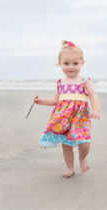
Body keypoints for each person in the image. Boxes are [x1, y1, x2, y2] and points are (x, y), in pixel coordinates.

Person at [34, 40, 100, 178]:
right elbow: (55, 101)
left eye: (75, 63)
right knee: (66, 144)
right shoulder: (60, 83)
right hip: (63, 118)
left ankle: (82, 158)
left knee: (85, 141)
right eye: (66, 63)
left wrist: (95, 110)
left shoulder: (84, 81)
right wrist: (41, 101)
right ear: (60, 63)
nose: (71, 67)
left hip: (80, 117)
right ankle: (70, 167)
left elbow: (93, 96)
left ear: (82, 63)